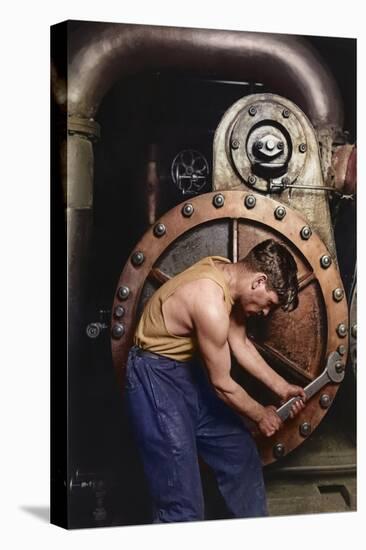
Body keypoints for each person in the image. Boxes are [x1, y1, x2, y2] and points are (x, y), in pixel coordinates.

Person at [124, 238, 306, 523]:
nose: (266, 312)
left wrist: (282, 387)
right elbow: (222, 384)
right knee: (182, 504)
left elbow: (240, 342)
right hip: (154, 377)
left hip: (185, 373)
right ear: (259, 281)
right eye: (269, 303)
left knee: (240, 453)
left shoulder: (225, 273)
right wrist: (261, 414)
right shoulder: (209, 303)